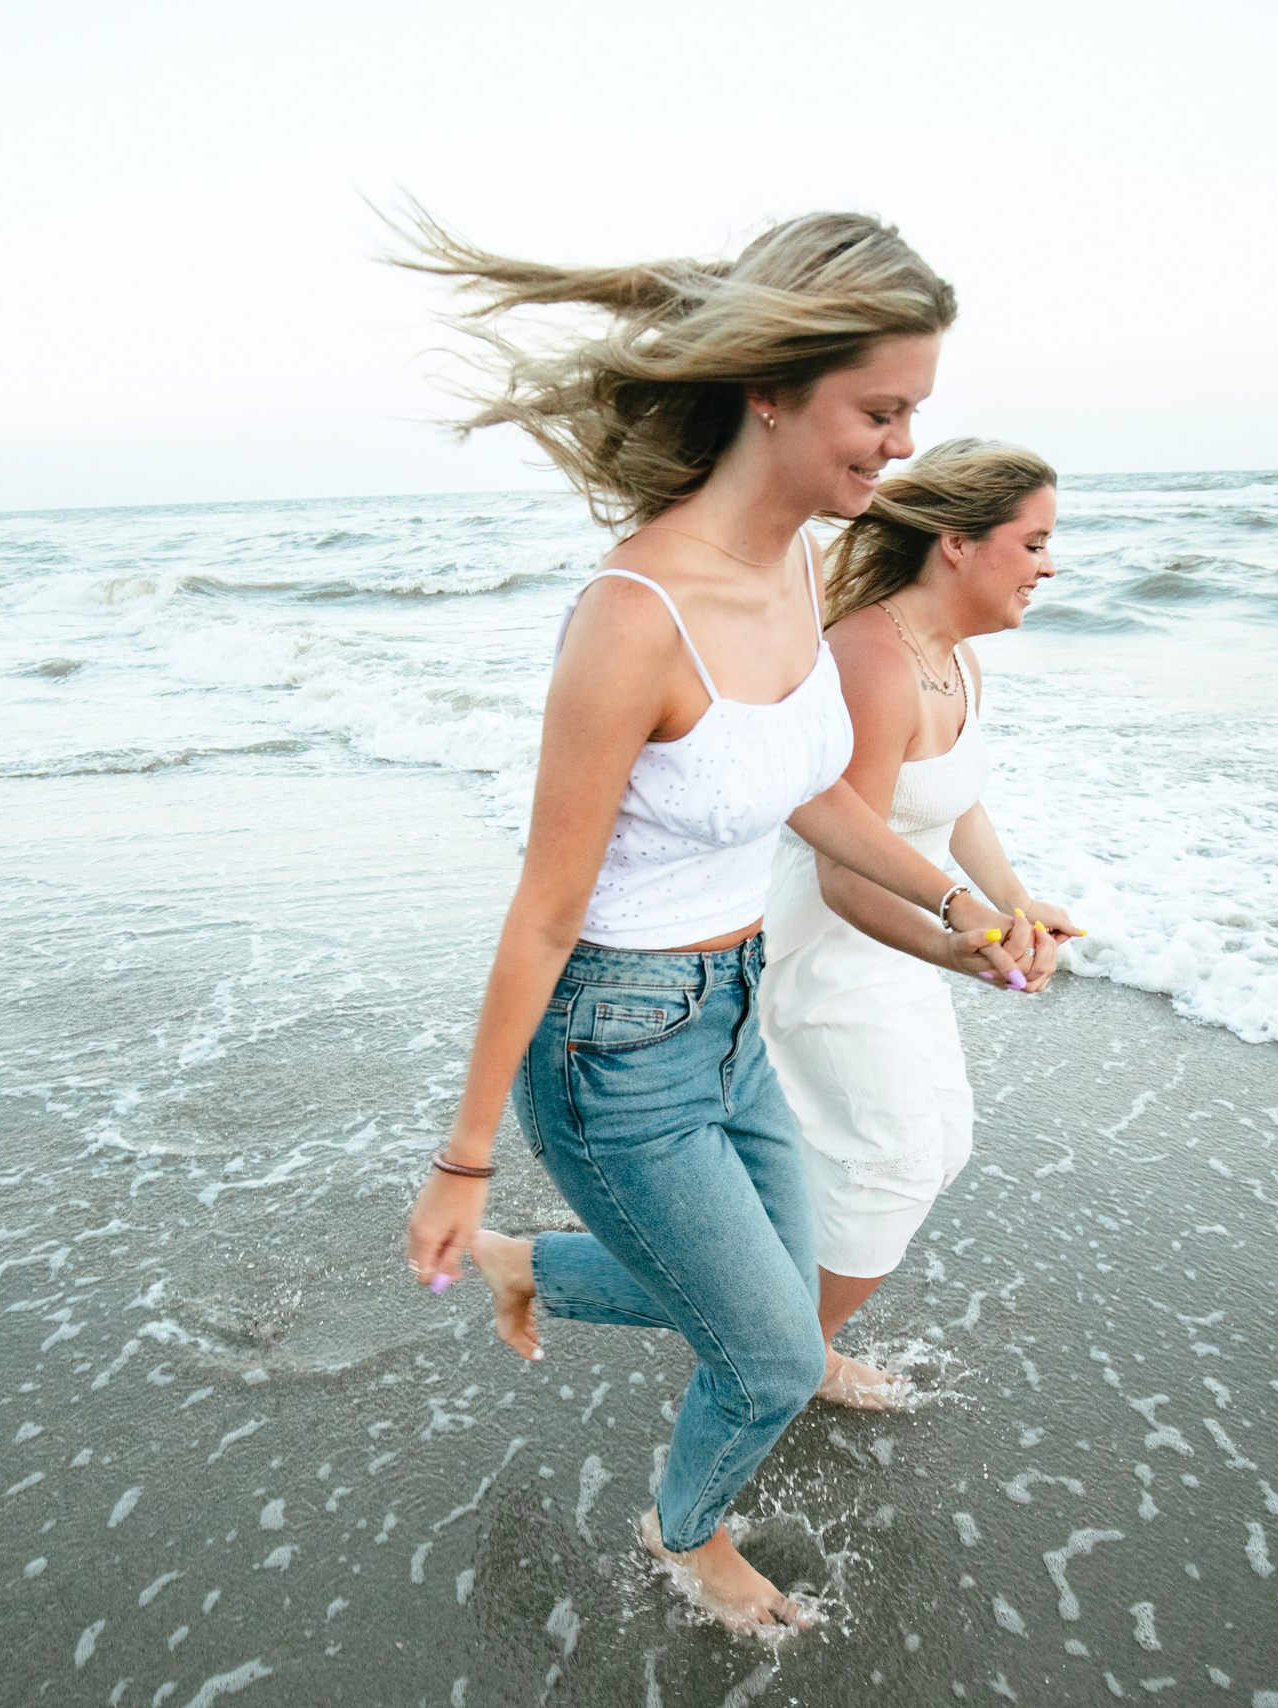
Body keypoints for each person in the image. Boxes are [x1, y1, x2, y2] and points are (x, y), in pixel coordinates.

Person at [394, 211, 1037, 1633]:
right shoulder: (634, 618)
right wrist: (464, 1165)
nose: (898, 445)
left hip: (734, 1007)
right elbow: (545, 909)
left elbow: (808, 793)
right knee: (770, 1359)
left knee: (780, 1298)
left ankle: (529, 1272)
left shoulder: (805, 561)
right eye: (879, 410)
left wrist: (964, 912)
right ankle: (686, 1536)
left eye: (912, 411)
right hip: (614, 1048)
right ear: (771, 389)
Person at [758, 439, 1076, 1403]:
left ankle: (769, 1324)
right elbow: (846, 871)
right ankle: (777, 1360)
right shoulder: (872, 660)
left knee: (943, 1146)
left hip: (897, 945)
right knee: (891, 1160)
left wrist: (1015, 905)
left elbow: (956, 801)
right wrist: (958, 944)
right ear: (957, 545)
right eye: (1034, 542)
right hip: (825, 947)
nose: (1050, 566)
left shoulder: (957, 659)